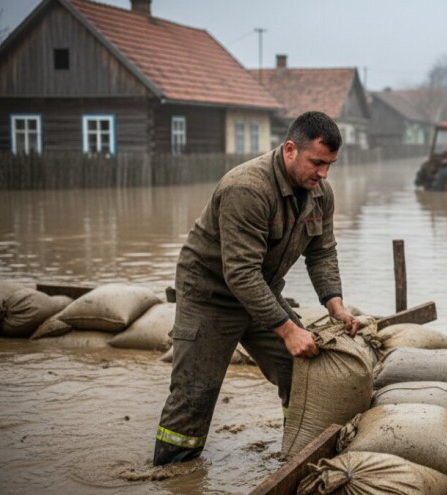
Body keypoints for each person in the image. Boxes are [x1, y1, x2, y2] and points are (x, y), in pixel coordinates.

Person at [154, 111, 359, 466]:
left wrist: (335, 305)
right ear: (290, 149)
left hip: (262, 292)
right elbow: (240, 273)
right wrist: (288, 330)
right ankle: (171, 475)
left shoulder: (320, 194)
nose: (324, 173)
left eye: (330, 164)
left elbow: (322, 252)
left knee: (302, 372)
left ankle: (296, 455)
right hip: (211, 297)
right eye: (317, 162)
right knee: (194, 395)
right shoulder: (247, 188)